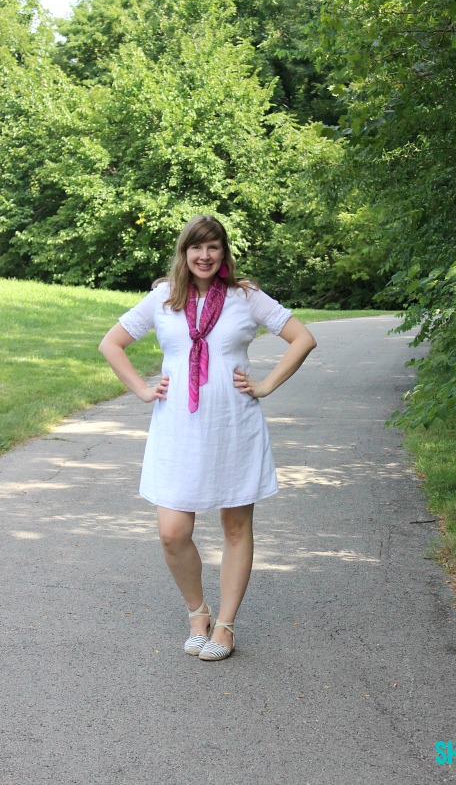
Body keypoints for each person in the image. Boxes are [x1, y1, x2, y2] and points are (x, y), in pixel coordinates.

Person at [99, 215, 317, 661]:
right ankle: (197, 612)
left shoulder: (246, 297)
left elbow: (302, 338)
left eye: (213, 247)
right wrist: (142, 389)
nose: (204, 255)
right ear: (183, 253)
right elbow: (111, 343)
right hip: (177, 429)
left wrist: (265, 385)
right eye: (195, 248)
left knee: (235, 527)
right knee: (172, 532)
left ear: (224, 253)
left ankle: (225, 626)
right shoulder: (164, 298)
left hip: (233, 427)